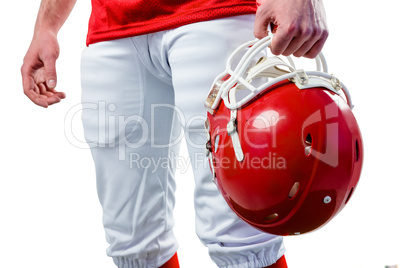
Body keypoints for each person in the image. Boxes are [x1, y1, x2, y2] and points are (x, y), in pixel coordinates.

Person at [21, 0, 328, 267]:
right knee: (132, 241)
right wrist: (47, 26)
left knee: (241, 229)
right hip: (112, 27)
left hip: (216, 11)